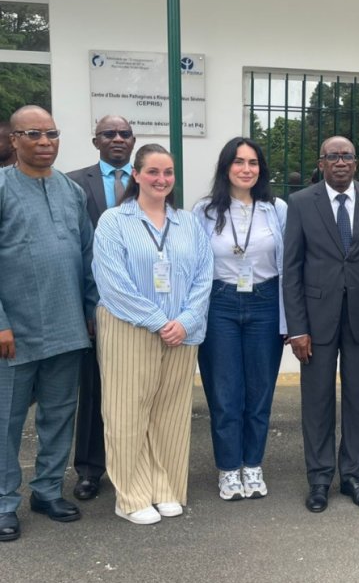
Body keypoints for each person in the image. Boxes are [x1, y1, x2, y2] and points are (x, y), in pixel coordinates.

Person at [92, 143, 212, 525]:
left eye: (168, 173)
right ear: (137, 175)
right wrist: (159, 320)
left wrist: (187, 320)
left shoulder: (188, 223)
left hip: (181, 331)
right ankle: (129, 495)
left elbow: (203, 278)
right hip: (131, 328)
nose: (162, 179)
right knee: (127, 412)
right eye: (153, 172)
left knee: (170, 414)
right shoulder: (114, 221)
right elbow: (112, 284)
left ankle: (166, 487)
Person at [0, 106, 97, 542]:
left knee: (59, 416)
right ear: (14, 139)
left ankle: (46, 491)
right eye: (34, 134)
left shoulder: (71, 191)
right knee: (6, 421)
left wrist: (93, 311)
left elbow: (89, 255)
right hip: (13, 334)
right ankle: (4, 502)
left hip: (66, 327)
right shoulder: (1, 187)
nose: (45, 142)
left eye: (52, 134)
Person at [283, 136, 359, 513]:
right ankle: (319, 478)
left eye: (347, 156)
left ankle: (353, 474)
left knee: (358, 398)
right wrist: (297, 328)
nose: (341, 162)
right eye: (333, 157)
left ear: (356, 164)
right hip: (316, 320)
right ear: (322, 162)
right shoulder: (300, 203)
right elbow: (291, 269)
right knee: (317, 401)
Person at [192, 137, 288, 501]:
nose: (246, 169)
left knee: (259, 392)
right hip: (220, 304)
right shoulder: (204, 211)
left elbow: (288, 265)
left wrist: (288, 320)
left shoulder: (276, 209)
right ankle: (229, 469)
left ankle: (253, 465)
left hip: (264, 302)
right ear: (225, 167)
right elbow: (193, 265)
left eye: (253, 162)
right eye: (238, 162)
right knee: (225, 393)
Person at [66, 115, 136, 502]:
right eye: (109, 134)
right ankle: (91, 470)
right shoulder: (75, 183)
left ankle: (131, 463)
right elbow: (75, 250)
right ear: (96, 142)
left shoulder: (147, 181)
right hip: (97, 306)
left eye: (124, 134)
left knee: (135, 391)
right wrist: (87, 307)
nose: (117, 139)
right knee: (93, 390)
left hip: (142, 308)